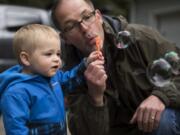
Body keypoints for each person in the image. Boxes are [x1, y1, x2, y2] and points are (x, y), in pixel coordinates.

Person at [51, 0, 180, 135]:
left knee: (164, 120)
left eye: (87, 17)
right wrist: (95, 98)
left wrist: (160, 96)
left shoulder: (141, 38)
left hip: (160, 126)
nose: (84, 28)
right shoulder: (69, 76)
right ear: (65, 38)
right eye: (71, 26)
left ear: (98, 16)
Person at [0, 24, 106, 135]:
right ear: (26, 58)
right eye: (49, 54)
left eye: (58, 54)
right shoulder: (16, 92)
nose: (56, 59)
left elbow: (70, 79)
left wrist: (86, 63)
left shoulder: (54, 77)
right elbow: (16, 129)